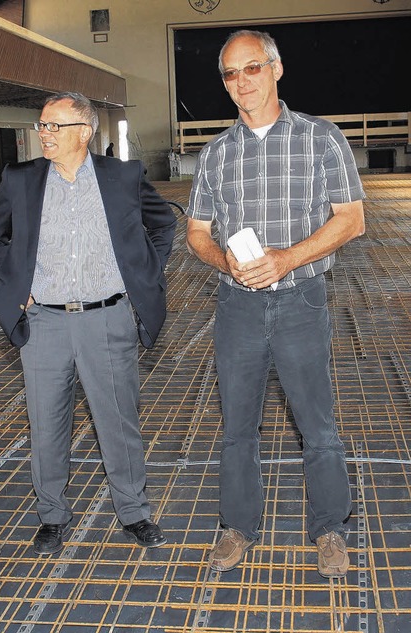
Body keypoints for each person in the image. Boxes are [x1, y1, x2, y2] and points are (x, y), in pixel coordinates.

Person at [186, 30, 365, 578]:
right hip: (237, 307)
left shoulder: (320, 138)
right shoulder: (216, 153)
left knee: (318, 424)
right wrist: (227, 262)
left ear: (277, 69)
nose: (242, 81)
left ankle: (330, 528)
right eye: (231, 74)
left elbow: (351, 220)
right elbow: (196, 234)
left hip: (301, 301)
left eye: (253, 68)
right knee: (237, 426)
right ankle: (237, 527)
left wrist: (287, 259)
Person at [0, 92, 177, 555]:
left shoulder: (122, 177)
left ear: (84, 132)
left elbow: (163, 224)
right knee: (45, 424)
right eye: (42, 126)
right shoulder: (22, 179)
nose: (43, 134)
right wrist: (12, 286)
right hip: (44, 322)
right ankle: (52, 515)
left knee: (117, 421)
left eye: (54, 126)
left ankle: (134, 511)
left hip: (108, 319)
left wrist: (143, 276)